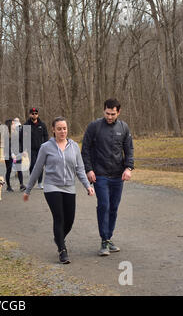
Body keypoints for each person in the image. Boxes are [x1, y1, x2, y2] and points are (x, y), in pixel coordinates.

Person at [23, 116, 95, 264]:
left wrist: (88, 186)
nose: (62, 131)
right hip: (52, 186)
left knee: (70, 220)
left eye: (65, 128)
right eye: (59, 129)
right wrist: (28, 189)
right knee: (59, 217)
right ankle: (62, 250)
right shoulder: (46, 147)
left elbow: (80, 169)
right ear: (53, 130)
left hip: (69, 186)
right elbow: (37, 169)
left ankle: (58, 238)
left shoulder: (74, 147)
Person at [81, 98, 134, 257]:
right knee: (104, 205)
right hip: (100, 174)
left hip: (118, 175)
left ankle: (109, 237)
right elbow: (85, 150)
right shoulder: (94, 127)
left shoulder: (124, 128)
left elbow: (129, 150)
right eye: (107, 113)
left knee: (114, 207)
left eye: (112, 114)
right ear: (103, 110)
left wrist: (128, 168)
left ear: (118, 112)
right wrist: (89, 170)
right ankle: (104, 240)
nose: (109, 117)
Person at [23, 108, 49, 189]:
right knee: (33, 165)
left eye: (36, 113)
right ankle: (31, 182)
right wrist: (24, 149)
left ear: (38, 114)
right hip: (31, 149)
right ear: (30, 114)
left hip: (41, 148)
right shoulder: (26, 125)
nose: (34, 115)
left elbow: (46, 136)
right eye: (33, 113)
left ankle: (40, 183)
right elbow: (23, 138)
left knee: (40, 165)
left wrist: (46, 145)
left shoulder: (42, 125)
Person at [4, 119, 26, 192]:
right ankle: (8, 186)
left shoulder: (17, 132)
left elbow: (20, 143)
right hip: (9, 155)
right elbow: (7, 146)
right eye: (13, 124)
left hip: (17, 153)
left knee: (19, 169)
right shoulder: (6, 134)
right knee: (9, 170)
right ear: (9, 125)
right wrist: (11, 154)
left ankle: (21, 185)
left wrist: (23, 151)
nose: (14, 125)